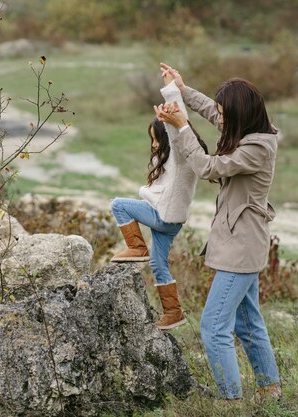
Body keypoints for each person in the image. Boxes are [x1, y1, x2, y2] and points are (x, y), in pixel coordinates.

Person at [153, 63, 281, 400]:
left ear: (240, 115)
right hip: (240, 241)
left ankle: (230, 398)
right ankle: (269, 389)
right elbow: (213, 111)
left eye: (225, 113)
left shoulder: (256, 149)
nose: (219, 118)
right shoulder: (248, 130)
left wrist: (182, 129)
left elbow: (209, 168)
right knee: (247, 323)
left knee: (213, 327)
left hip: (241, 245)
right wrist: (182, 90)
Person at [110, 72, 209, 329]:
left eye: (157, 138)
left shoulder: (179, 155)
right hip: (172, 221)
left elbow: (178, 128)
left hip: (162, 215)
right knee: (158, 263)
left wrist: (170, 94)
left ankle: (137, 247)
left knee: (119, 204)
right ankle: (173, 313)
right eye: (151, 139)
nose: (154, 144)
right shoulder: (170, 159)